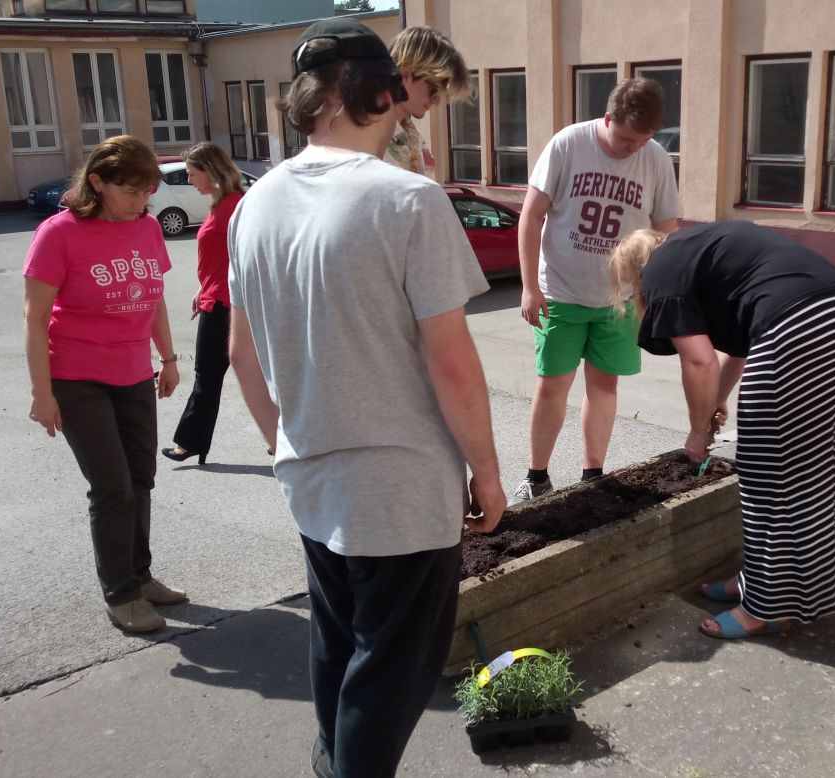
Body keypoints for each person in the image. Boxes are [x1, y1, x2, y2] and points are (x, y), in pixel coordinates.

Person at [226, 18, 505, 777]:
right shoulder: (409, 200)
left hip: (311, 476)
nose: (415, 112)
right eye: (411, 100)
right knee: (391, 671)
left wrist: (286, 443)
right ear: (383, 94)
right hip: (401, 487)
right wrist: (486, 471)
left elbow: (241, 354)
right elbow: (452, 362)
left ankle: (332, 762)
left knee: (338, 642)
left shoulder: (255, 204)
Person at [608, 221, 835, 639]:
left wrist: (698, 432)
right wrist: (717, 400)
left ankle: (765, 609)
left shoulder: (662, 269)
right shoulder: (700, 248)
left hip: (795, 325)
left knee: (769, 471)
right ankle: (773, 583)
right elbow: (740, 347)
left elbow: (699, 362)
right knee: (818, 459)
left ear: (637, 273)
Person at [23, 135, 187, 634]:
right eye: (130, 191)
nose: (140, 202)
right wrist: (42, 393)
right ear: (97, 182)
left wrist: (168, 358)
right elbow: (35, 319)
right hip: (77, 379)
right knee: (113, 486)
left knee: (140, 479)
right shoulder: (59, 233)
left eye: (147, 192)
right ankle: (121, 594)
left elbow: (153, 298)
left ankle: (140, 575)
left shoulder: (147, 228)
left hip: (134, 373)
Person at [510, 77, 682, 504]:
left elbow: (666, 232)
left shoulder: (656, 159)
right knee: (553, 384)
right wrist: (529, 287)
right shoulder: (568, 144)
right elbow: (531, 216)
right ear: (608, 119)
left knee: (604, 386)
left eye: (642, 141)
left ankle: (593, 476)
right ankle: (536, 477)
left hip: (619, 301)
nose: (632, 149)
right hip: (560, 292)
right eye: (625, 139)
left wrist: (655, 294)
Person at [161, 142, 273, 464]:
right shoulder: (221, 203)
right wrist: (203, 286)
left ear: (210, 171)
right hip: (216, 296)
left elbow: (251, 255)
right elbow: (221, 257)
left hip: (227, 303)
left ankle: (190, 442)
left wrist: (218, 289)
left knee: (210, 375)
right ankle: (279, 438)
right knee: (249, 373)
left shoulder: (234, 206)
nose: (189, 180)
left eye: (192, 174)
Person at [383, 25, 471, 178]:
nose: (436, 101)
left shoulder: (409, 134)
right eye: (433, 89)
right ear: (405, 74)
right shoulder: (371, 138)